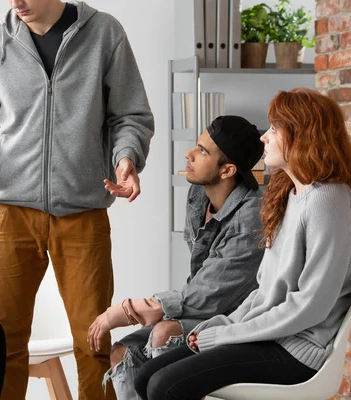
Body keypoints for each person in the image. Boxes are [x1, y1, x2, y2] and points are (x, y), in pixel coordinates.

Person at [0, 1, 154, 399]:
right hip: (12, 212)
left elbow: (129, 114)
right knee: (4, 340)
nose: (16, 3)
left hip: (83, 213)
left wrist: (126, 158)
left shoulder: (103, 34)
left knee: (91, 338)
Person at [133, 88, 351, 400]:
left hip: (297, 349)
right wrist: (217, 327)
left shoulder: (329, 200)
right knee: (146, 375)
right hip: (267, 336)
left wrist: (224, 335)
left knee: (165, 385)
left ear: (301, 135)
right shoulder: (289, 194)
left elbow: (311, 306)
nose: (264, 137)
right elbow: (263, 293)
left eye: (274, 129)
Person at [87, 115, 265, 399]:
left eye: (203, 151)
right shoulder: (198, 195)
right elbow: (201, 281)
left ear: (228, 169)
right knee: (123, 352)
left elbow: (212, 295)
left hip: (236, 320)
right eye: (196, 145)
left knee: (164, 334)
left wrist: (132, 309)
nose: (189, 154)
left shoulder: (251, 217)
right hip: (203, 309)